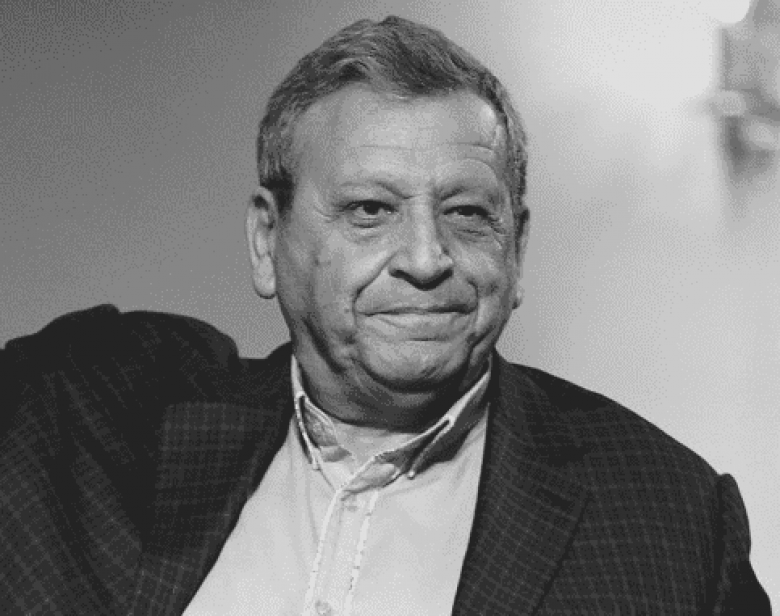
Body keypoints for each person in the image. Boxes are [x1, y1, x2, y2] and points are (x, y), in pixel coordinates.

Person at [0, 15, 770, 616]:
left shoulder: (669, 520)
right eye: (370, 210)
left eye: (468, 213)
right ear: (267, 241)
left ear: (516, 247)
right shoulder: (92, 409)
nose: (427, 258)